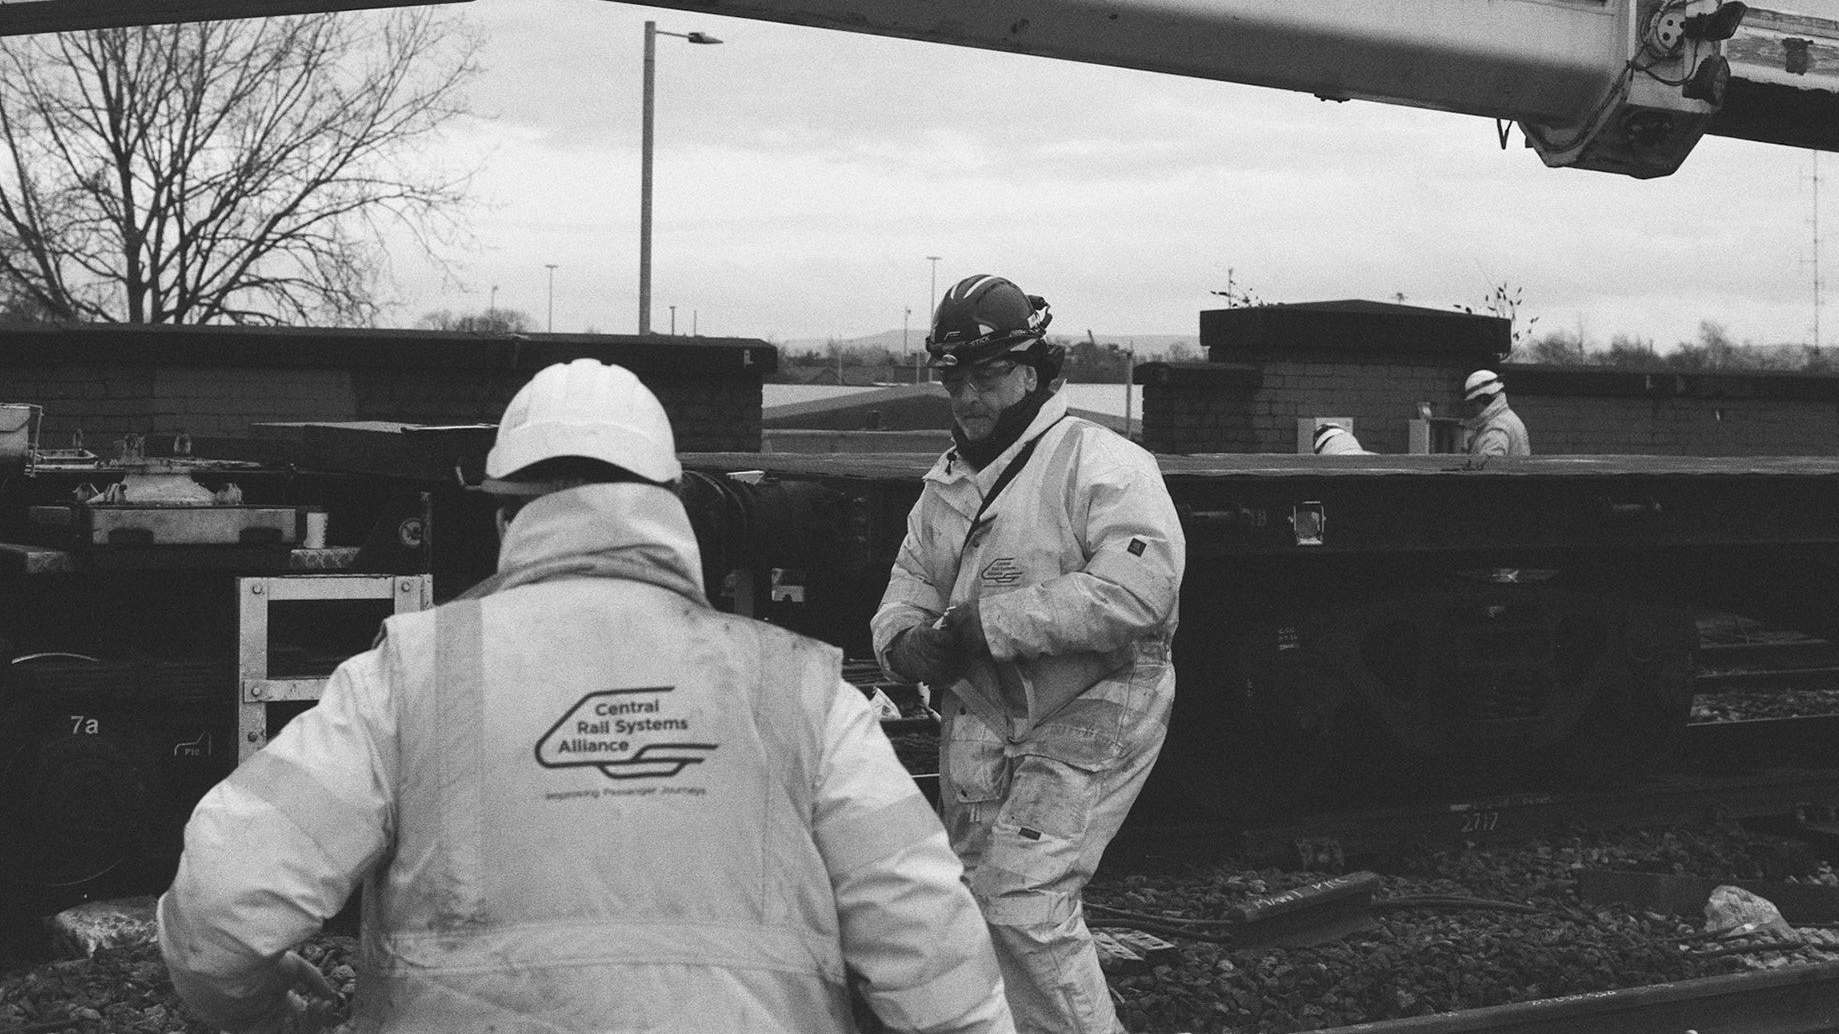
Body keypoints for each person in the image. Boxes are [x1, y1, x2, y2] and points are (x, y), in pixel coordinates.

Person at [160, 358, 1015, 1034]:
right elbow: (933, 952)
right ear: (672, 503)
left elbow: (220, 910)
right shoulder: (798, 690)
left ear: (506, 517)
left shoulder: (410, 678)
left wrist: (259, 1007)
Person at [872, 275, 1184, 1034]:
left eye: (987, 376)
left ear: (1036, 373)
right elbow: (907, 588)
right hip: (987, 710)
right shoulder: (945, 488)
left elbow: (1138, 592)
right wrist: (905, 646)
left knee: (1022, 903)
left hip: (1097, 698)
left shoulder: (1102, 463)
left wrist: (987, 627)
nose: (969, 397)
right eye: (955, 381)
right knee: (974, 906)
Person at [1463, 368, 1531, 456]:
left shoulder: (1496, 428)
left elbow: (1489, 464)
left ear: (1483, 398)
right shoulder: (1507, 418)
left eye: (1473, 403)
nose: (1473, 408)